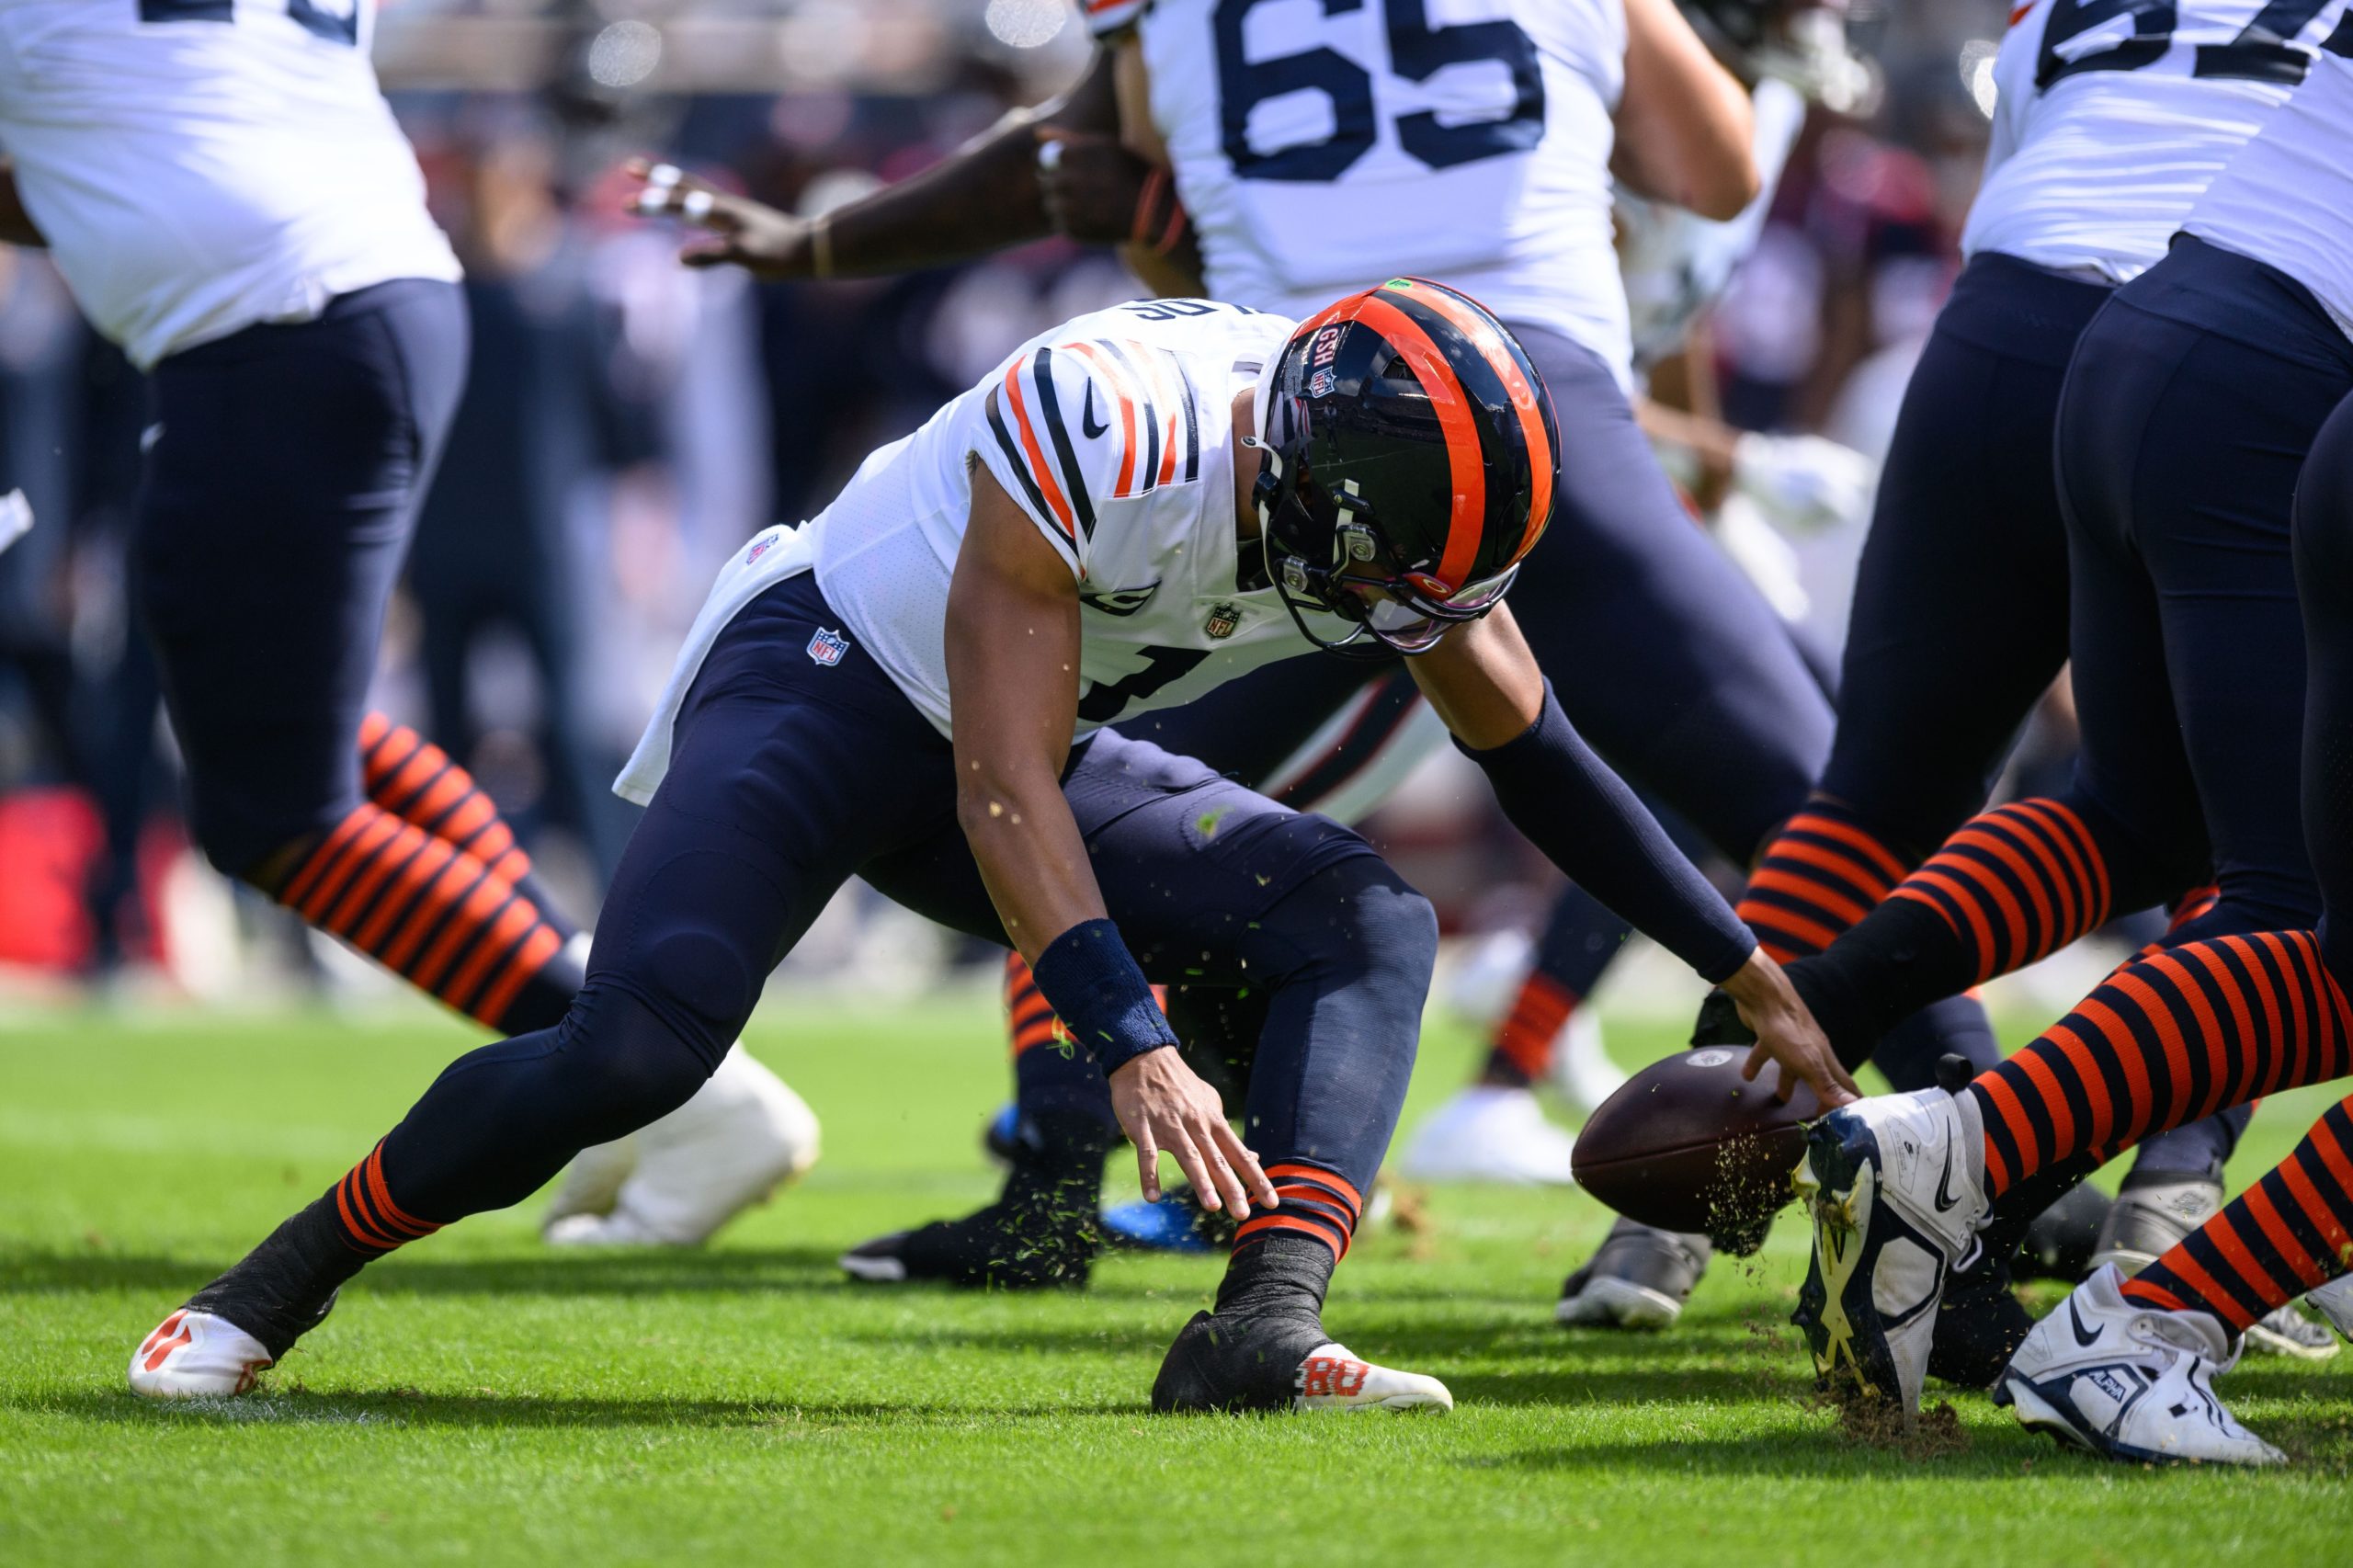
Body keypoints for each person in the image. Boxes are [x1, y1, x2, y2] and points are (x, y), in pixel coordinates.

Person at [126, 278, 1851, 1413]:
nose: (1410, 609)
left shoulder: (1387, 495)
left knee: (1365, 917)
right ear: (1320, 476)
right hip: (824, 681)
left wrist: (1744, 967)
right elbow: (1004, 790)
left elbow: (1538, 757)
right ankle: (263, 1292)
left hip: (1018, 733)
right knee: (639, 1046)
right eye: (1392, 565)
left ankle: (1258, 1332)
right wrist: (1133, 1039)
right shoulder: (1115, 416)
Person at [637, 0, 1989, 1324]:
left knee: (1050, 791)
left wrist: (821, 243)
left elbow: (1064, 162)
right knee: (1819, 807)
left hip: (1277, 439)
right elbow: (1715, 165)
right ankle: (1986, 1165)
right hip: (1525, 408)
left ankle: (1053, 1193)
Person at [0, 0, 813, 1244]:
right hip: (347, 303)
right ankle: (625, 1031)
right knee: (270, 725)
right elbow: (129, 145)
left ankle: (663, 1073)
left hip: (269, 330)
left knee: (277, 813)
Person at [1793, 40, 2353, 1463]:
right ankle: (2148, 1280)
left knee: (2132, 813)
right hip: (2293, 390)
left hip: (2126, 327)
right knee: (2297, 910)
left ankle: (1894, 1116)